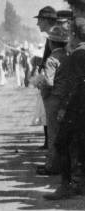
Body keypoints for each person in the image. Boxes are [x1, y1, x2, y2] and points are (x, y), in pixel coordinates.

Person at [44, 18, 85, 200]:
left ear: (75, 35)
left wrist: (63, 109)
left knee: (62, 142)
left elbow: (75, 85)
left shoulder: (77, 54)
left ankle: (66, 185)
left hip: (77, 106)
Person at [35, 24, 69, 176]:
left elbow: (49, 82)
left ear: (51, 43)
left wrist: (40, 85)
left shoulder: (51, 60)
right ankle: (61, 165)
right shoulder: (68, 56)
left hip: (53, 99)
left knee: (53, 134)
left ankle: (52, 166)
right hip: (66, 98)